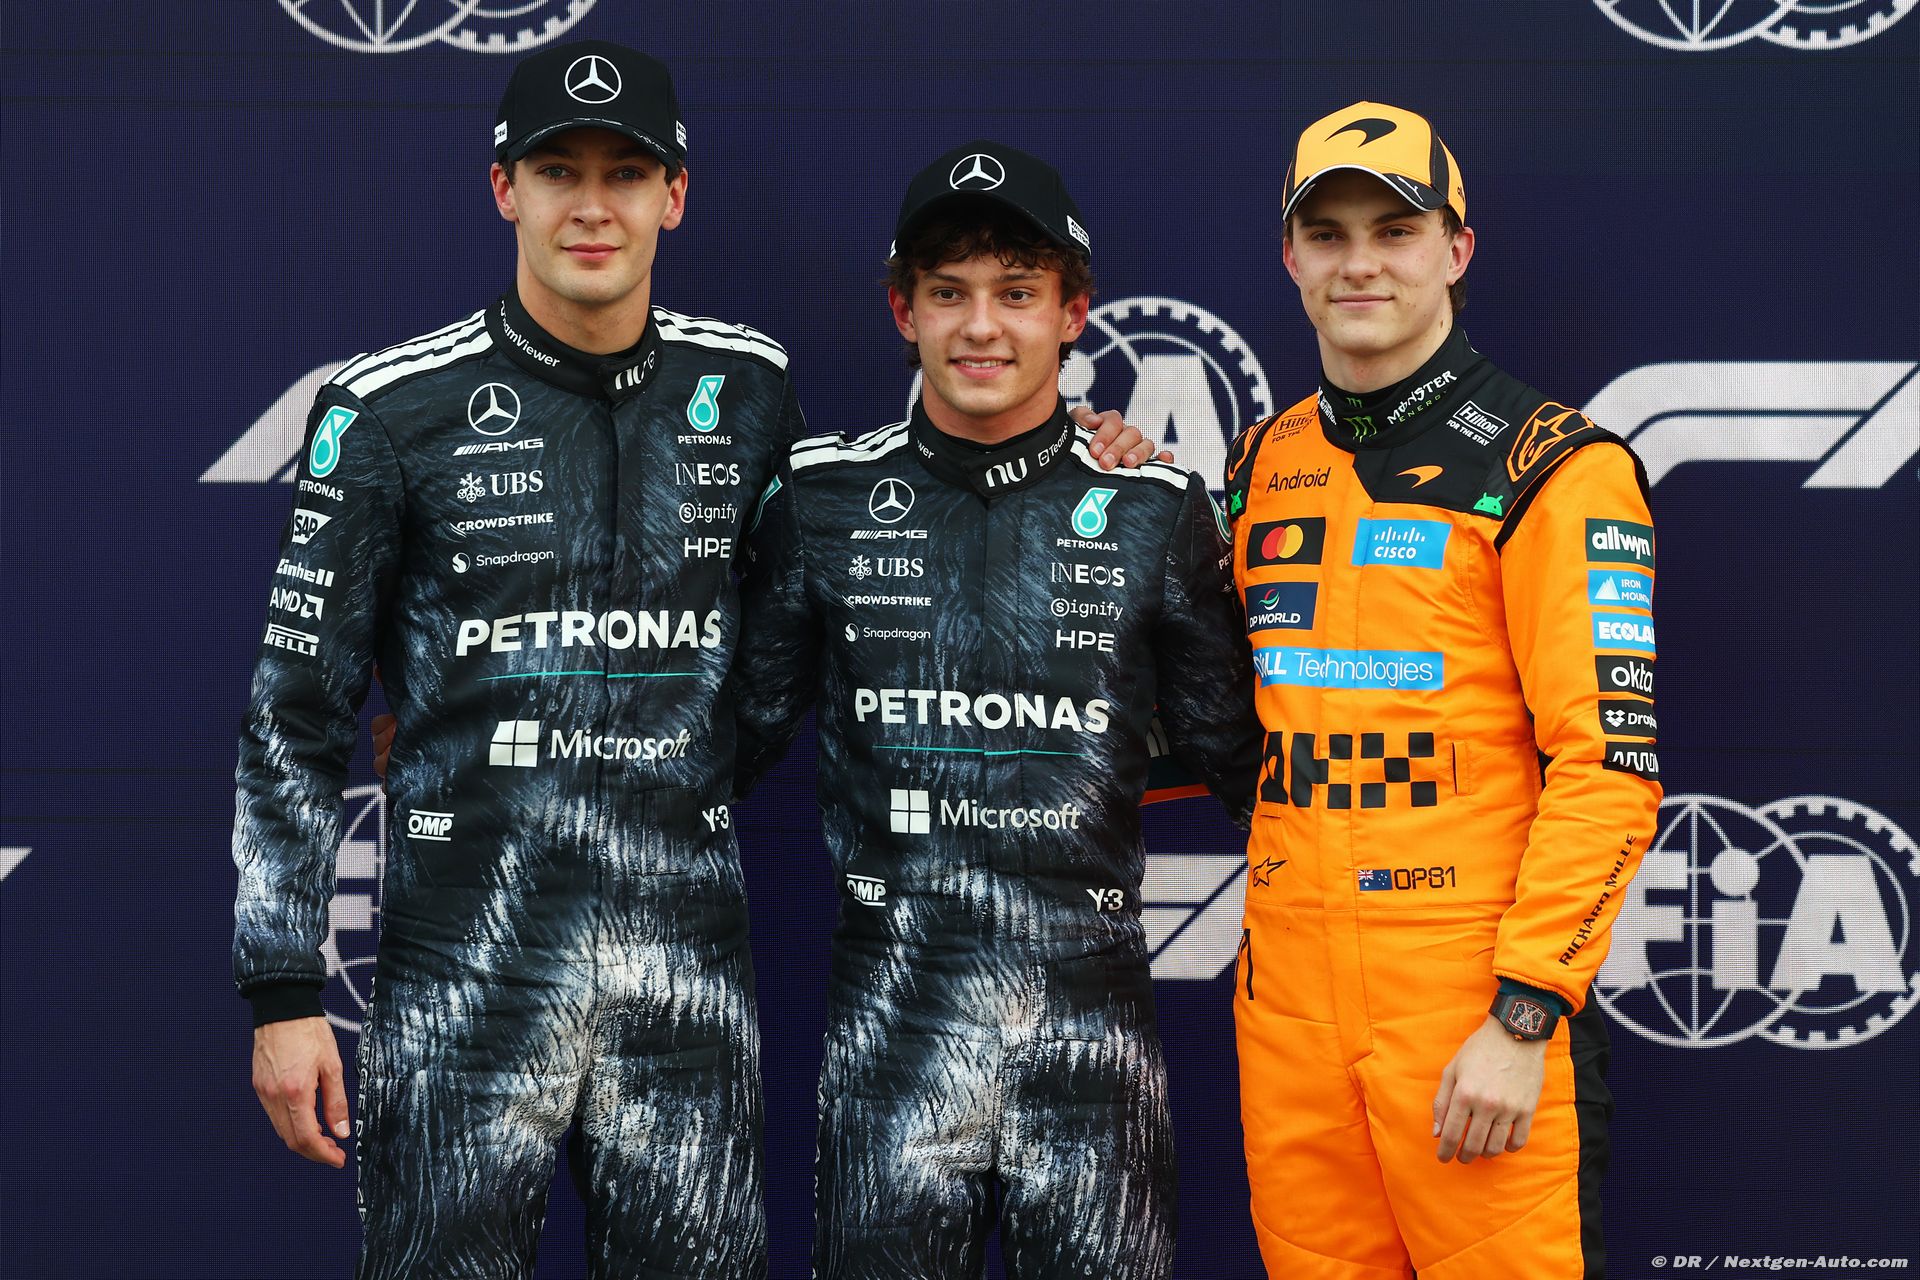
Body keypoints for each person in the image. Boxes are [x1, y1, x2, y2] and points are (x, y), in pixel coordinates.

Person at [233, 40, 1159, 1277]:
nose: (593, 206)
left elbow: (788, 652)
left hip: (686, 995)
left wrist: (1080, 457)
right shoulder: (387, 408)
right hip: (465, 980)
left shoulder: (749, 386)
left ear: (675, 195)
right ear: (504, 188)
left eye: (627, 173)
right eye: (558, 172)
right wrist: (285, 989)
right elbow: (294, 710)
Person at [727, 140, 1262, 1279]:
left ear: (1073, 314)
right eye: (949, 293)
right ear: (902, 310)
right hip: (891, 1040)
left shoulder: (1157, 504)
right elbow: (713, 744)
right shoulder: (820, 498)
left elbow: (1252, 769)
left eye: (1017, 293)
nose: (982, 327)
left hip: (1094, 1044)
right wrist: (466, 729)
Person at [1224, 101, 1662, 1279]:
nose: (1359, 263)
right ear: (1290, 256)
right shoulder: (1261, 462)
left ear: (1456, 249)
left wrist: (1525, 1015)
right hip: (1289, 1012)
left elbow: (1609, 765)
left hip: (1472, 1008)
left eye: (1396, 230)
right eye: (1327, 233)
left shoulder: (1553, 464)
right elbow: (1209, 711)